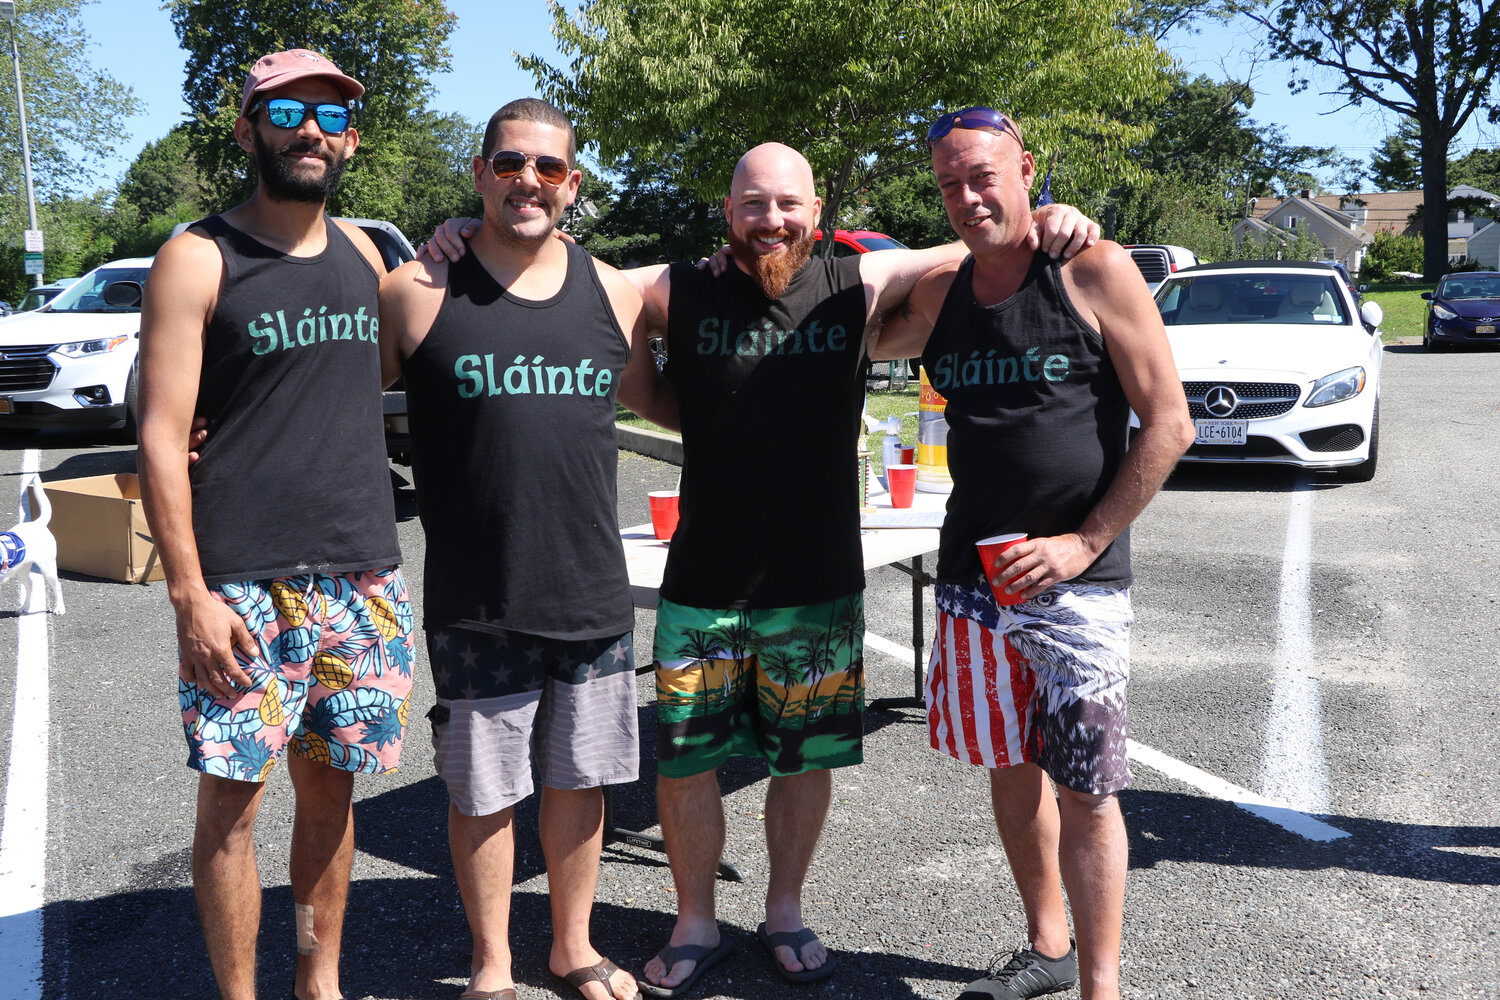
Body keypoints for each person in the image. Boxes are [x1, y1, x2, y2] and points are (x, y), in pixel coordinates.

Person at [426, 142, 1098, 997]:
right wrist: (465, 230)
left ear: (818, 215)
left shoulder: (857, 285)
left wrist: (1047, 218)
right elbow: (564, 268)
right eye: (752, 204)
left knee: (802, 757)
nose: (770, 220)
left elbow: (968, 244)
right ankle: (695, 917)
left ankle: (785, 908)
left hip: (815, 579)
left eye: (787, 204)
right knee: (687, 761)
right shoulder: (681, 287)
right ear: (728, 212)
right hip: (703, 576)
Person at [870, 106, 1195, 1000]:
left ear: (1028, 169)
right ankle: (1045, 947)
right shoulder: (940, 296)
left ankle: (1101, 985)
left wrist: (1082, 544)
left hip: (1077, 587)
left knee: (1088, 789)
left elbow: (1170, 424)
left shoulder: (1091, 269)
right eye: (949, 184)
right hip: (974, 583)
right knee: (1011, 771)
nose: (969, 196)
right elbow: (852, 320)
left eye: (984, 175)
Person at [379, 98, 673, 1000]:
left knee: (580, 785)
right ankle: (493, 963)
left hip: (589, 591)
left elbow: (675, 405)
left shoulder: (614, 292)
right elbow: (316, 397)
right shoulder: (416, 291)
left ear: (573, 185)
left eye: (548, 168)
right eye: (510, 164)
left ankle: (572, 948)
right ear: (480, 174)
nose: (528, 181)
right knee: (483, 791)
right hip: (478, 597)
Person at [137, 50, 414, 1000]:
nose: (312, 131)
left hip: (363, 580)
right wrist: (189, 596)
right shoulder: (198, 255)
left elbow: (367, 378)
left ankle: (318, 981)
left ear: (350, 140)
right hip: (242, 586)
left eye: (332, 118)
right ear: (250, 127)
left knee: (333, 794)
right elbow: (162, 436)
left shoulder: (370, 257)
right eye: (289, 111)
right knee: (232, 806)